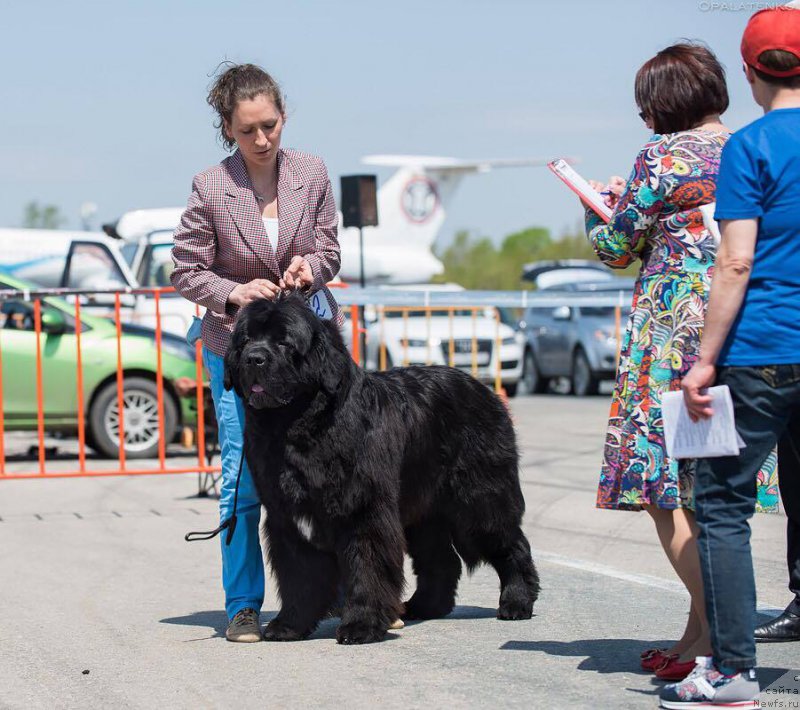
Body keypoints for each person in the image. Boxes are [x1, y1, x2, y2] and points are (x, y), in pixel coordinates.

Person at [583, 43, 749, 683]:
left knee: (660, 488)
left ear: (663, 102)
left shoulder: (662, 156)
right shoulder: (746, 147)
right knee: (713, 494)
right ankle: (696, 635)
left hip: (669, 339)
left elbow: (617, 246)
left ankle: (719, 631)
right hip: (729, 330)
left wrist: (595, 208)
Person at [171, 63, 343, 642]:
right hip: (239, 358)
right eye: (248, 131)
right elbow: (186, 270)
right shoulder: (209, 186)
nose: (263, 139)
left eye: (270, 125)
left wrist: (309, 268)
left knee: (332, 476)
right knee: (244, 483)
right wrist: (233, 292)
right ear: (228, 129)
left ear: (283, 116)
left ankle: (338, 591)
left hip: (310, 354)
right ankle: (243, 603)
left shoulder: (313, 173)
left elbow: (329, 250)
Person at [662, 8, 800, 707]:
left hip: (765, 350)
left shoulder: (749, 148)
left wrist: (703, 360)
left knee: (721, 505)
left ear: (749, 73)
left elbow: (736, 261)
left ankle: (732, 672)